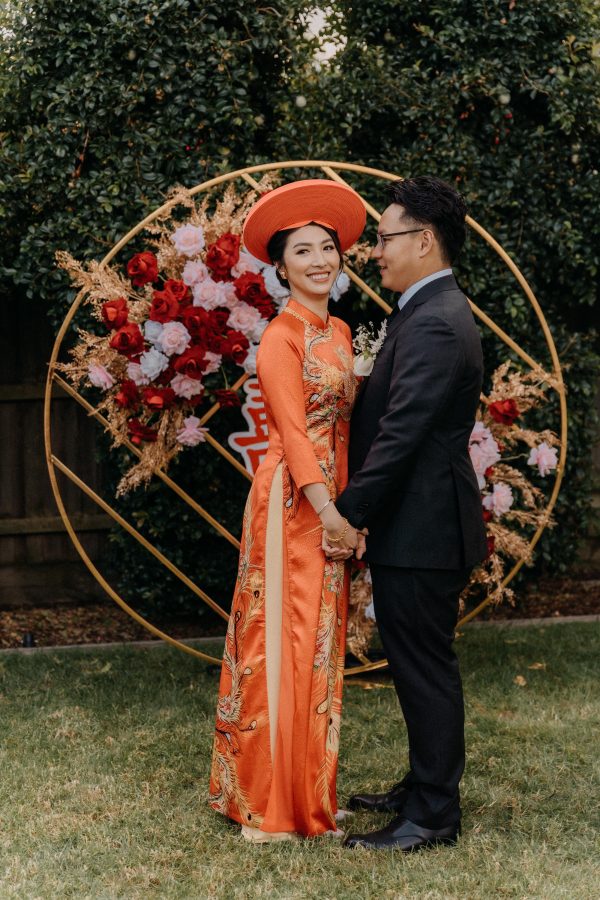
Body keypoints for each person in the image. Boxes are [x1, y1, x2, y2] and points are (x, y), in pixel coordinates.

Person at [331, 175, 488, 852]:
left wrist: (347, 513)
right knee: (417, 660)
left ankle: (431, 816)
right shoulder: (428, 311)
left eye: (387, 238)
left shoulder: (435, 320)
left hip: (425, 529)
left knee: (423, 665)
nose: (376, 252)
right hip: (419, 524)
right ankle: (423, 785)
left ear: (424, 241)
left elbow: (402, 432)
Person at [209, 179, 366, 841]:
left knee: (321, 644)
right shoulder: (282, 336)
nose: (319, 260)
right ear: (281, 268)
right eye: (303, 251)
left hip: (334, 501)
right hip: (292, 504)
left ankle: (312, 792)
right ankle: (272, 807)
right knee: (283, 639)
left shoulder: (338, 330)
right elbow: (295, 434)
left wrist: (353, 508)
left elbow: (344, 432)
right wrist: (329, 510)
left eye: (327, 248)